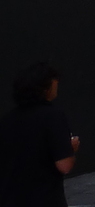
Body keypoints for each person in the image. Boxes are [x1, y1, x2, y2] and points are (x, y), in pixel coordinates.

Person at [0, 62, 78, 207]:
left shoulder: (7, 120)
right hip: (43, 198)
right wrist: (71, 148)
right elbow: (64, 165)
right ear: (45, 88)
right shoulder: (53, 116)